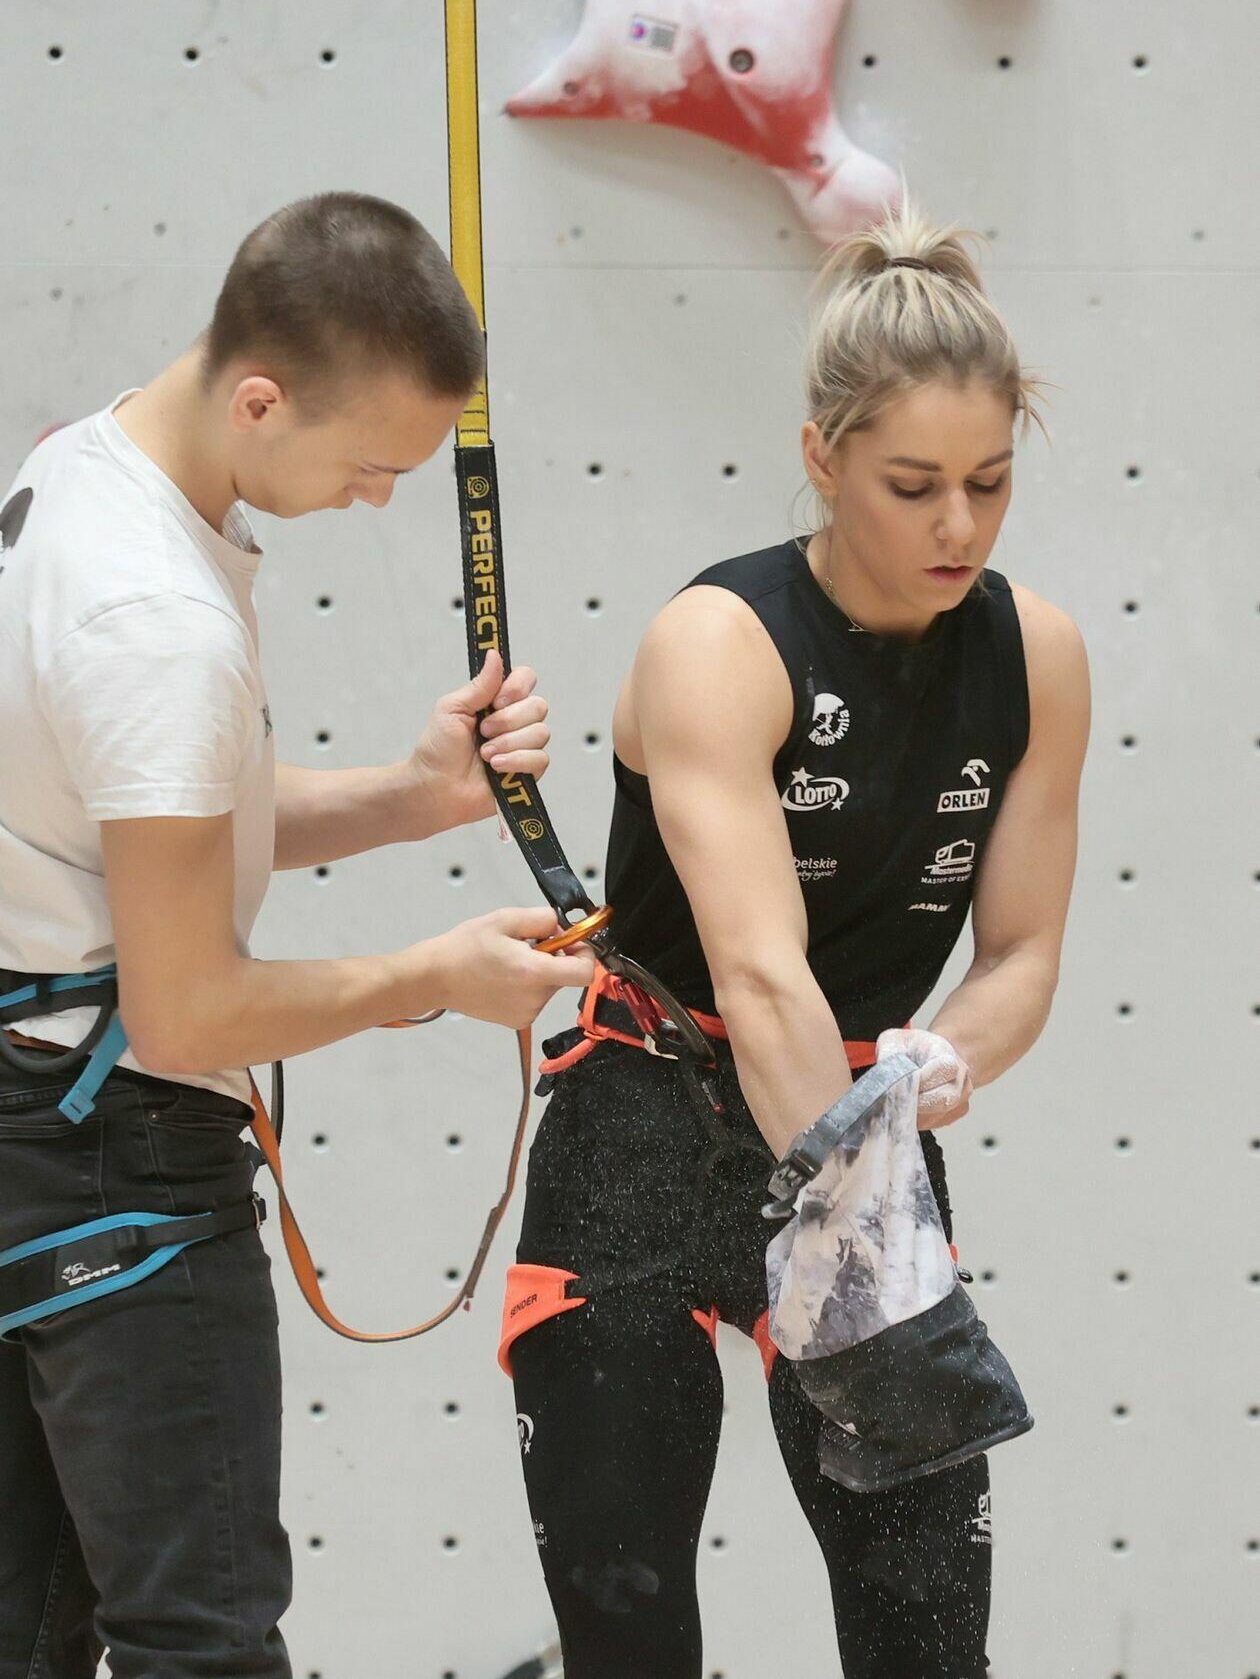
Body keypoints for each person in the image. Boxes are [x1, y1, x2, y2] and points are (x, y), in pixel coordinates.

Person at [0, 191, 594, 1679]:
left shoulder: (82, 470)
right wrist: (434, 978)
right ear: (261, 401)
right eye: (370, 464)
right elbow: (189, 1011)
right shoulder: (155, 620)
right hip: (112, 1152)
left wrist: (412, 794)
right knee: (199, 1642)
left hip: (34, 1116)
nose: (381, 499)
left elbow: (150, 819)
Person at [501, 201, 1090, 1679]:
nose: (959, 527)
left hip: (859, 1121)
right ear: (823, 458)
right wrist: (855, 1195)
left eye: (990, 483)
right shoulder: (721, 641)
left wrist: (942, 1063)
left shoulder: (1039, 654)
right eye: (914, 486)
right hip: (650, 1127)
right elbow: (761, 977)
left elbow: (1020, 954)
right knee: (630, 1632)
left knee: (928, 1637)